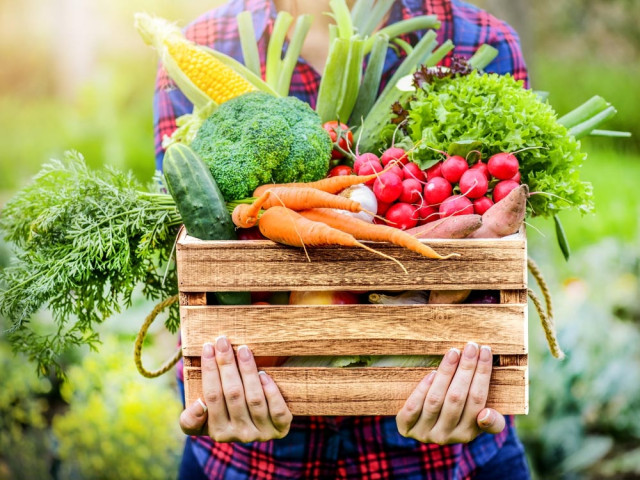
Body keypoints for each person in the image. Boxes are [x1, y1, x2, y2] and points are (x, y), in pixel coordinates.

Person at [153, 1, 531, 478]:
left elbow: (502, 262)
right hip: (250, 464)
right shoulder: (199, 44)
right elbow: (190, 255)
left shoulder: (482, 40)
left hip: (446, 461)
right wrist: (214, 380)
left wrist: (476, 380)